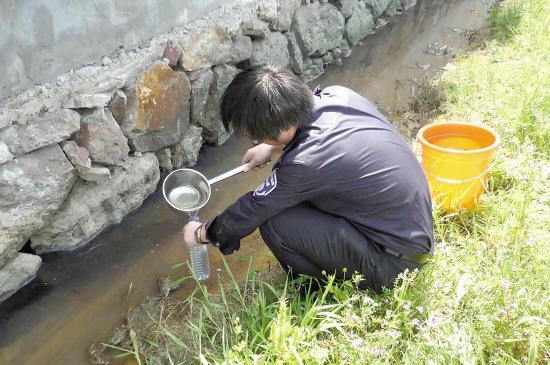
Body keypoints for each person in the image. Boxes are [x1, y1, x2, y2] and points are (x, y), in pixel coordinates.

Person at [182, 66, 434, 292]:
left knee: (276, 222)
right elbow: (305, 137)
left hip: (396, 266)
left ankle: (314, 291)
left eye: (256, 136)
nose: (255, 140)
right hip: (411, 235)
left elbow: (253, 208)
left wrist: (202, 234)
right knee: (294, 199)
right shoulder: (338, 96)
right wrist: (271, 147)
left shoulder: (304, 162)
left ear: (279, 130)